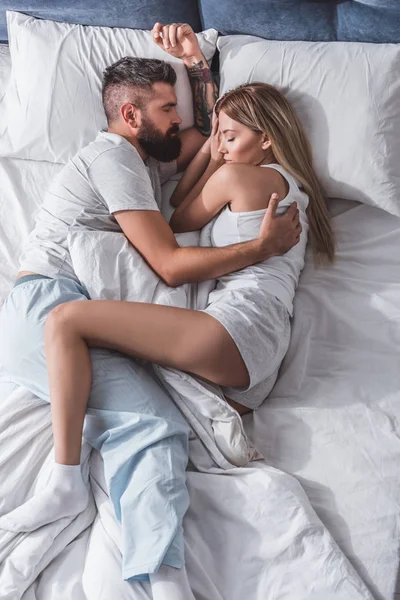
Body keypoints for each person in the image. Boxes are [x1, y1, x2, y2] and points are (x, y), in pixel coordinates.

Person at [0, 22, 300, 598]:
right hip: (45, 310)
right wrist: (261, 248)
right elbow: (165, 261)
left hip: (65, 316)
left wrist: (197, 68)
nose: (178, 122)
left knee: (146, 421)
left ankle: (143, 556)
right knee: (153, 427)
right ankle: (162, 578)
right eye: (167, 110)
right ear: (131, 117)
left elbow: (216, 138)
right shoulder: (113, 157)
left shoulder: (151, 160)